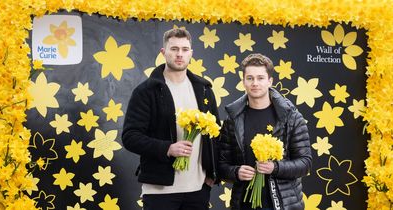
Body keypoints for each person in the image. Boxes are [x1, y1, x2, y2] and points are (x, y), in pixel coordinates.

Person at [122, 28, 220, 210]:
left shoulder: (204, 89)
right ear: (163, 52)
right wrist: (167, 148)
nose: (179, 54)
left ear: (191, 53)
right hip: (160, 190)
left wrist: (214, 172)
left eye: (184, 49)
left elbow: (216, 134)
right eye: (174, 49)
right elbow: (130, 137)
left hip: (198, 189)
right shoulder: (146, 91)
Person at [218, 53, 312, 210]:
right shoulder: (233, 120)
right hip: (243, 204)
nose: (255, 83)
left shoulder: (291, 117)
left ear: (270, 81)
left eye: (260, 78)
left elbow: (305, 163)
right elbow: (221, 164)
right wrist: (236, 172)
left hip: (283, 205)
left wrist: (275, 167)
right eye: (250, 78)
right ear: (243, 82)